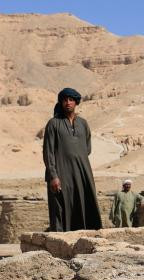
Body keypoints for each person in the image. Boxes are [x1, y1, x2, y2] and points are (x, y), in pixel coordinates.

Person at [42, 87, 102, 231]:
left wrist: (77, 161)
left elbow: (87, 148)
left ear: (76, 103)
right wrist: (53, 176)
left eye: (71, 100)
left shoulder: (83, 124)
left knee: (84, 202)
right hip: (61, 173)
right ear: (61, 103)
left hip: (82, 172)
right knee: (61, 206)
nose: (68, 103)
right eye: (64, 100)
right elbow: (48, 152)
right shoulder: (53, 124)